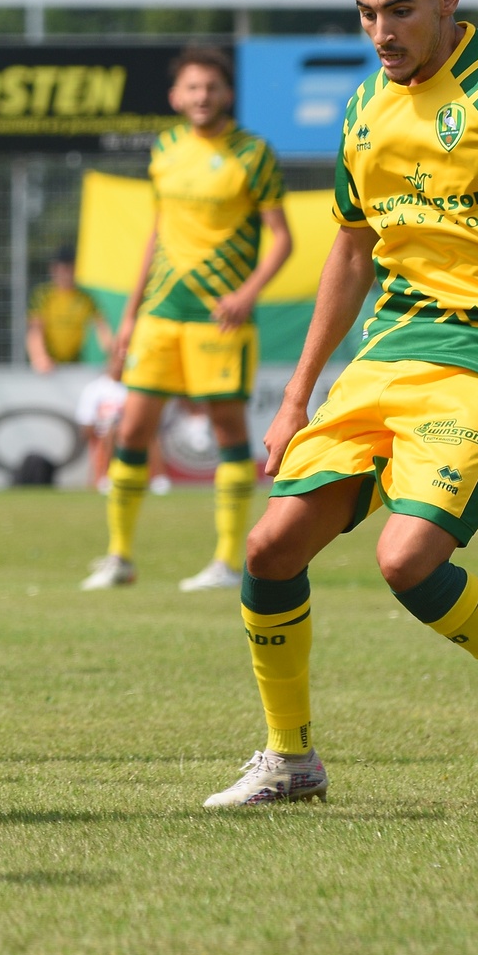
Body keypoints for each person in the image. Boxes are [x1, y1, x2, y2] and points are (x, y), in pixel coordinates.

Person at [207, 0, 478, 809]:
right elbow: (348, 253)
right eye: (366, 14)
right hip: (390, 353)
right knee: (269, 549)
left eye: (401, 10)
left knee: (406, 559)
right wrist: (295, 395)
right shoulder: (363, 111)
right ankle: (291, 760)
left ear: (447, 0)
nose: (383, 32)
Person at [83, 47, 294, 593]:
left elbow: (282, 237)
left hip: (217, 320)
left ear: (227, 94)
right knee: (131, 429)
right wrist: (129, 316)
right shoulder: (166, 148)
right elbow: (157, 234)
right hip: (160, 314)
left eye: (211, 87)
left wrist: (248, 293)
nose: (201, 97)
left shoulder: (253, 153)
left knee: (227, 434)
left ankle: (227, 562)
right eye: (192, 88)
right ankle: (120, 557)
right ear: (177, 97)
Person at [27, 247, 113, 372]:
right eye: (62, 268)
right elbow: (35, 330)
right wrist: (40, 357)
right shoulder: (42, 295)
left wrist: (112, 355)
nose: (65, 273)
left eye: (69, 268)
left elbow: (102, 328)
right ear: (53, 269)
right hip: (46, 366)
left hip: (74, 363)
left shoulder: (85, 298)